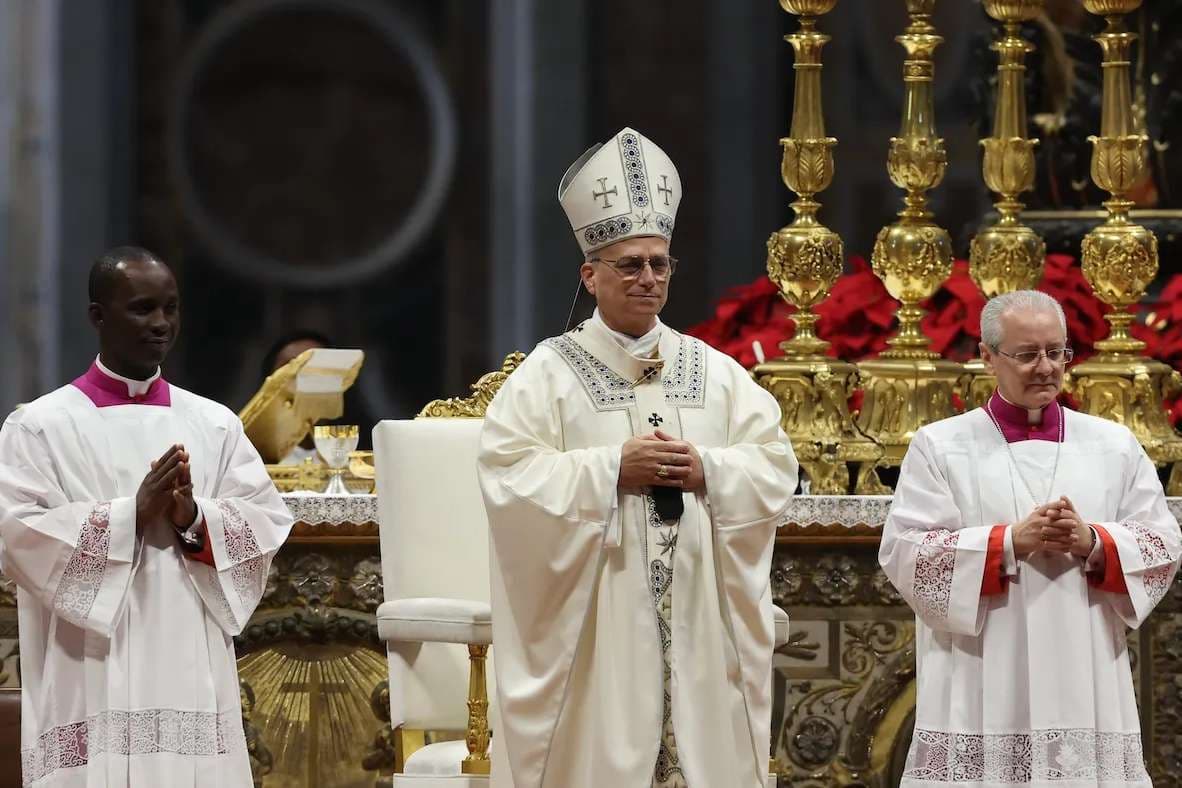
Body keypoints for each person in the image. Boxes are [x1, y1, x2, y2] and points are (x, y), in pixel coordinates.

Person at [477, 128, 798, 788]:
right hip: (599, 622)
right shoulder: (548, 374)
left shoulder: (714, 370)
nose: (649, 278)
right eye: (630, 265)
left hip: (701, 618)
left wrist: (709, 468)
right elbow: (507, 475)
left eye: (660, 262)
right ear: (589, 274)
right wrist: (606, 470)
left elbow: (774, 465)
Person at [0, 246, 293, 786]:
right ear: (97, 316)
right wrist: (128, 515)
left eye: (170, 308)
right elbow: (18, 533)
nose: (161, 324)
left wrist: (193, 518)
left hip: (186, 647)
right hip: (86, 659)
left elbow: (262, 524)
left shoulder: (214, 424)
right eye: (141, 308)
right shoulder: (38, 426)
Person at [880, 289, 1180, 787]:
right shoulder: (942, 445)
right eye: (1026, 355)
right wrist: (1005, 544)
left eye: (1056, 351)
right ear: (987, 357)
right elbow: (908, 552)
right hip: (982, 667)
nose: (1046, 367)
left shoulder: (1113, 446)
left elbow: (1160, 543)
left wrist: (1095, 542)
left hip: (1083, 664)